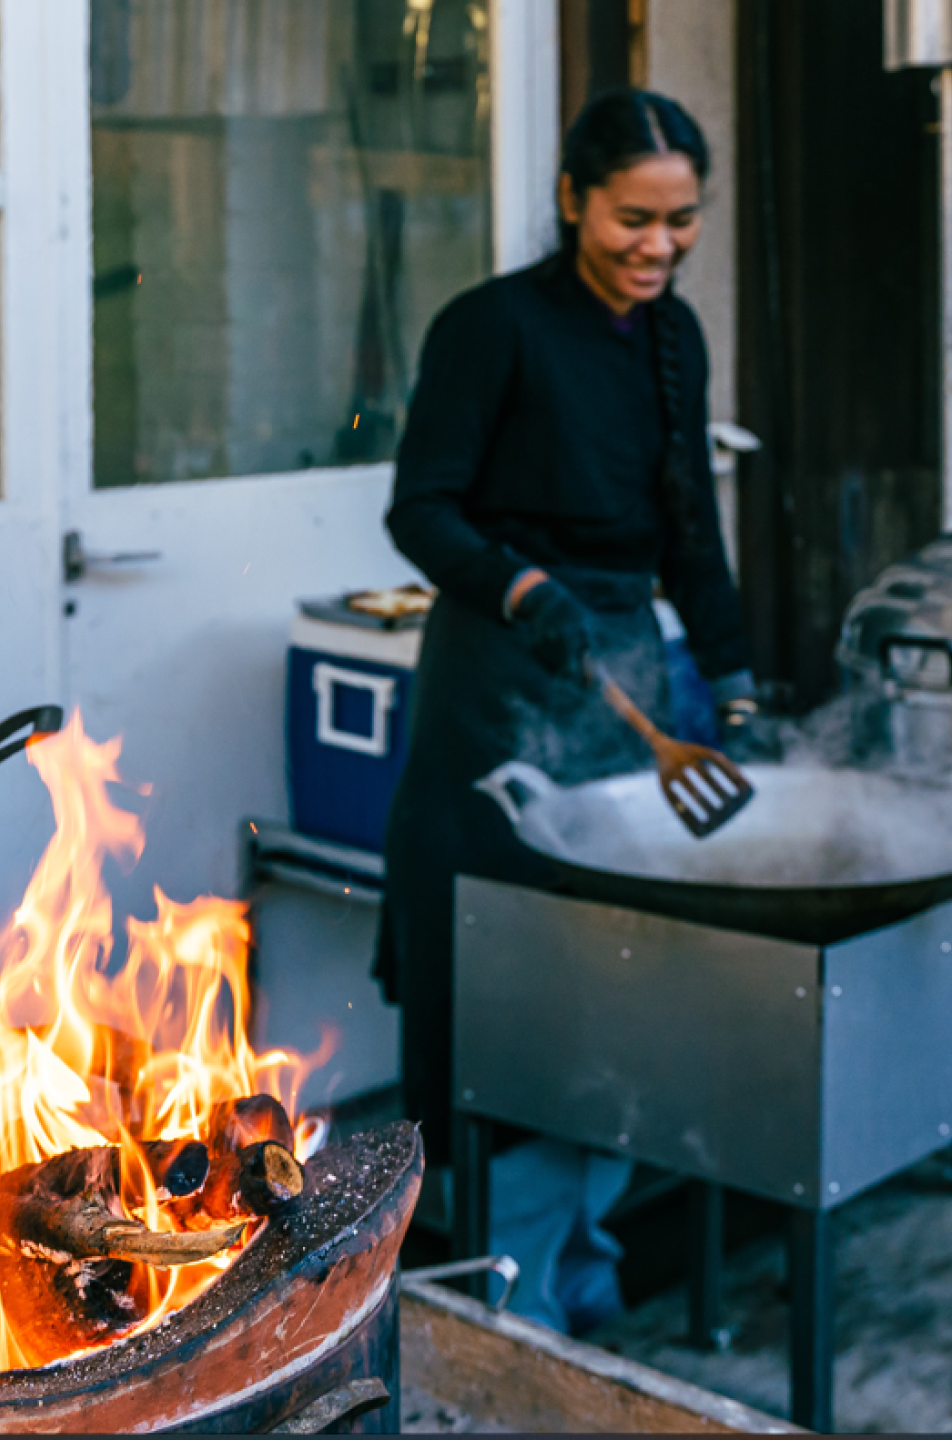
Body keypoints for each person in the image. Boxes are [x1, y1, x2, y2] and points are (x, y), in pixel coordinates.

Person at [376, 89, 765, 1332]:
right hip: (496, 683)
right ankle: (503, 1305)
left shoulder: (674, 334)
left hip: (625, 682)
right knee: (512, 988)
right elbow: (420, 509)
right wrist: (519, 584)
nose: (659, 245)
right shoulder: (491, 326)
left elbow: (690, 533)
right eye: (632, 219)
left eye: (681, 220)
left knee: (611, 979)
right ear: (571, 201)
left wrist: (735, 686)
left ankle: (579, 1286)